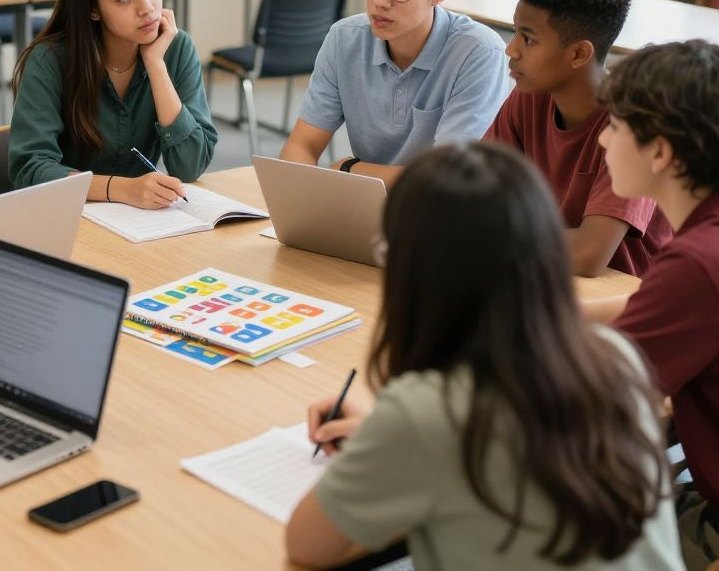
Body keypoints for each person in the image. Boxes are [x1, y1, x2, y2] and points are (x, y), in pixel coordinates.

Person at [286, 142, 682, 570]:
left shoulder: (427, 410)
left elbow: (305, 545)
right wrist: (390, 438)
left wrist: (388, 440)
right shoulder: (617, 356)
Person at [588, 40, 719, 571]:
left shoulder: (694, 264)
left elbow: (593, 399)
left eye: (615, 126)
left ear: (660, 152)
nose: (601, 138)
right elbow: (643, 304)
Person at [279, 0, 509, 185]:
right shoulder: (344, 38)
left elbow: (449, 180)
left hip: (443, 217)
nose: (379, 1)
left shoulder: (478, 53)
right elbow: (301, 146)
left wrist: (349, 168)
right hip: (364, 204)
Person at [485, 0, 670, 276]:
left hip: (623, 299)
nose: (511, 49)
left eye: (528, 38)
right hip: (538, 275)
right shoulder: (528, 97)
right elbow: (472, 197)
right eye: (514, 33)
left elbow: (588, 255)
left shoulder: (635, 124)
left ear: (579, 54)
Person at [10, 0, 217, 209]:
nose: (148, 8)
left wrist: (156, 65)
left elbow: (190, 166)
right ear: (92, 9)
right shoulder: (51, 60)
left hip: (141, 222)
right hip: (67, 215)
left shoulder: (175, 48)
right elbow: (30, 170)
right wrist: (122, 189)